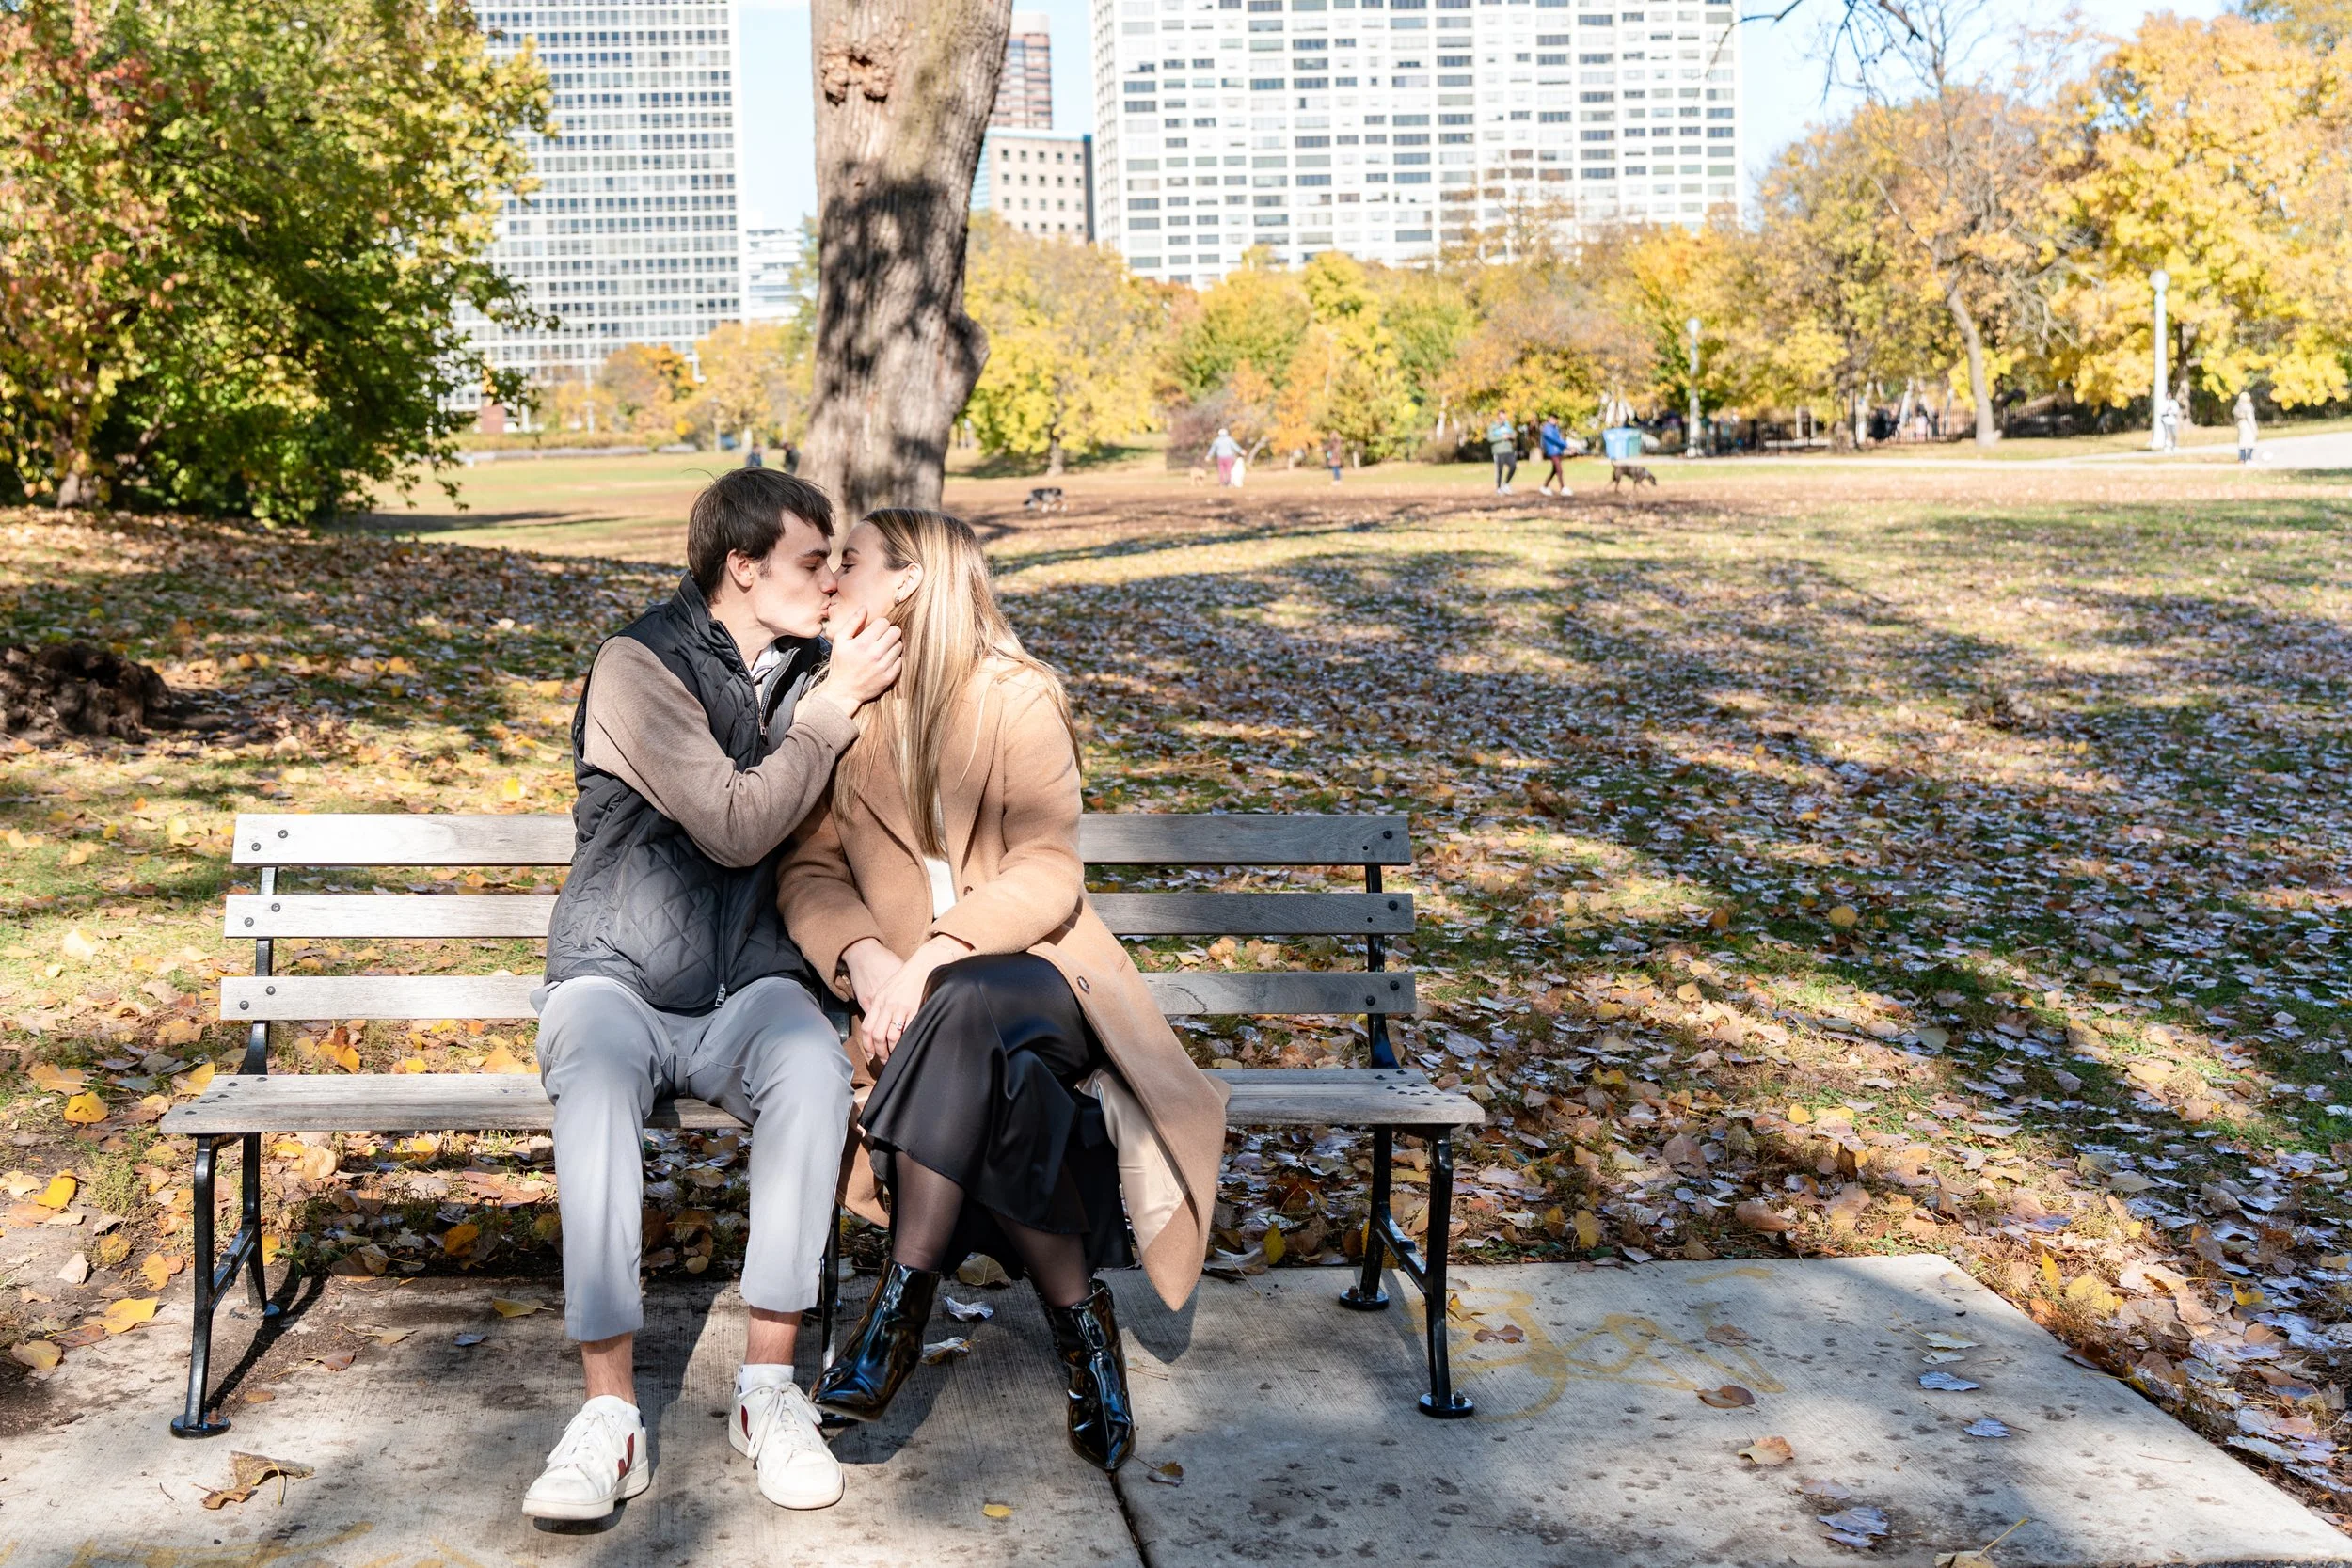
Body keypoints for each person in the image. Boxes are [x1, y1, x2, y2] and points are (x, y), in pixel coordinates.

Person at [782, 508, 1228, 1474]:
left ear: (905, 583)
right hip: (925, 1014)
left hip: (1041, 976)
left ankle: (899, 1304)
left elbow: (1047, 869)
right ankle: (1082, 1325)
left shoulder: (1016, 696)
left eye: (847, 562)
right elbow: (807, 871)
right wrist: (865, 957)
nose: (829, 578)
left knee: (974, 1005)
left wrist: (936, 953)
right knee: (1008, 1087)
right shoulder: (841, 701)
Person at [522, 469, 904, 1523]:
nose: (831, 581)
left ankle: (768, 1390)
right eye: (810, 561)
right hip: (617, 978)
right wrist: (829, 713)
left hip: (755, 987)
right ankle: (608, 1415)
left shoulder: (823, 666)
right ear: (741, 566)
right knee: (593, 1076)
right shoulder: (636, 664)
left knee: (811, 1068)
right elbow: (734, 822)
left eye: (836, 562)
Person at [1537, 416, 1571, 498]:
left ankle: (1545, 486)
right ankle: (1563, 488)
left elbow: (1558, 438)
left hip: (1557, 450)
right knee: (1559, 469)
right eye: (1553, 419)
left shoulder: (1554, 428)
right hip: (1552, 451)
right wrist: (1565, 445)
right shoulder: (1547, 429)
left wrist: (1564, 446)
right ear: (1549, 419)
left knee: (1555, 470)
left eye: (1556, 419)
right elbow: (1554, 439)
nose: (1555, 421)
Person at [1486, 413, 1517, 494]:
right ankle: (1498, 488)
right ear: (1498, 417)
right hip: (1498, 451)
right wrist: (1501, 437)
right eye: (1501, 418)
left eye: (1504, 418)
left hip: (1508, 450)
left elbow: (1514, 434)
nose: (1503, 420)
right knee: (1499, 470)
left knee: (1513, 466)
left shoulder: (1507, 425)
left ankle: (1506, 484)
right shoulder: (1493, 426)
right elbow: (1490, 438)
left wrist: (1511, 436)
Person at [2234, 390, 2259, 464]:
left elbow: (2235, 418)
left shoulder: (2238, 406)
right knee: (2251, 442)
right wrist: (2255, 429)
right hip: (2248, 426)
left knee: (2241, 442)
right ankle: (2249, 458)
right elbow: (2251, 419)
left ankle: (2242, 458)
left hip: (2240, 426)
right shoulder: (2248, 406)